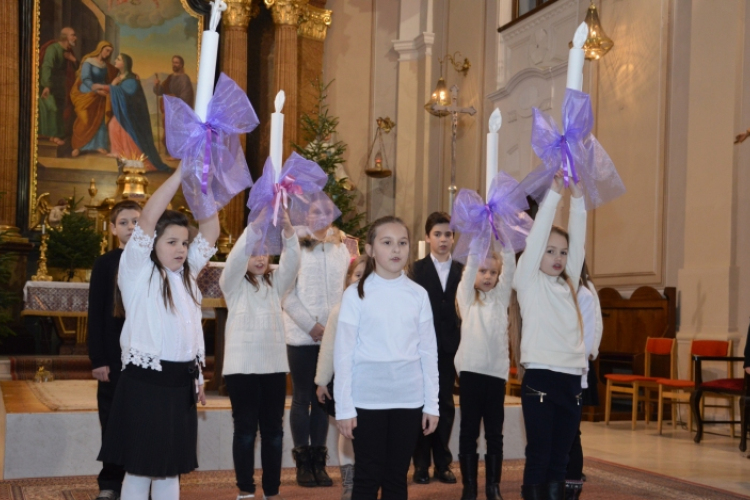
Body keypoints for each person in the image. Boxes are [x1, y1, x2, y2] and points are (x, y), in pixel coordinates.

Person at [97, 163, 220, 500]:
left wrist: (201, 180)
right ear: (152, 244)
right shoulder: (136, 270)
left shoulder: (187, 274)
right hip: (145, 385)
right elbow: (148, 218)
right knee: (139, 471)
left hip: (180, 385)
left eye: (184, 242)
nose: (181, 249)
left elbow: (211, 230)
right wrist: (181, 174)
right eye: (172, 242)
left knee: (169, 471)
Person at [334, 216, 440, 500]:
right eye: (387, 242)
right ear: (370, 249)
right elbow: (343, 354)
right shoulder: (356, 295)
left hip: (408, 399)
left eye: (402, 243)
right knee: (367, 478)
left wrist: (432, 404)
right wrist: (344, 408)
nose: (396, 249)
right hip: (367, 400)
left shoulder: (417, 295)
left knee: (396, 479)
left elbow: (429, 352)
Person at [513, 170, 586, 500]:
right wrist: (556, 194)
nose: (558, 258)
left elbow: (579, 238)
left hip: (571, 378)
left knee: (560, 459)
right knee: (540, 456)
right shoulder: (528, 280)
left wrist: (580, 198)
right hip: (541, 376)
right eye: (550, 251)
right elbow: (538, 235)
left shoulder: (569, 281)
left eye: (563, 252)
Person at [220, 211, 300, 500]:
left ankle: (271, 490)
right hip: (241, 369)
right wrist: (254, 229)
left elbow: (292, 263)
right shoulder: (233, 286)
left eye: (264, 252)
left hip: (274, 368)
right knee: (244, 431)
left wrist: (289, 232)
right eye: (254, 252)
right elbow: (234, 262)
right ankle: (245, 488)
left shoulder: (275, 285)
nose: (259, 258)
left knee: (273, 432)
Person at [282, 204, 350, 487]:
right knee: (302, 398)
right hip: (301, 335)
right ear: (305, 216)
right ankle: (303, 463)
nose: (321, 216)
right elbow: (285, 293)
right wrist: (311, 326)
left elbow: (348, 287)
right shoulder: (294, 247)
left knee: (323, 399)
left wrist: (333, 327)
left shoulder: (342, 249)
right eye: (314, 211)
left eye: (326, 210)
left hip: (332, 337)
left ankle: (319, 463)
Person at [88, 200, 142, 500]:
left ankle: (140, 478)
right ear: (112, 228)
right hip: (112, 353)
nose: (131, 227)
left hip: (143, 353)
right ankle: (110, 481)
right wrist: (98, 359)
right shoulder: (105, 263)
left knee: (140, 418)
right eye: (124, 222)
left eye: (136, 221)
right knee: (111, 418)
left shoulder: (153, 260)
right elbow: (95, 313)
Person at [454, 249, 516, 500]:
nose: (488, 276)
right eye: (483, 271)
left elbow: (510, 269)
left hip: (495, 376)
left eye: (493, 272)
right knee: (468, 430)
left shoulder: (501, 299)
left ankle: (493, 487)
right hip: (470, 372)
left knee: (494, 433)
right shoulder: (467, 298)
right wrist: (479, 239)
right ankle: (469, 487)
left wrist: (506, 243)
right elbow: (468, 272)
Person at [409, 212, 463, 485]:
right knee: (422, 403)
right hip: (421, 347)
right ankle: (420, 464)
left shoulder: (463, 270)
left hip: (451, 347)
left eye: (448, 235)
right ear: (428, 237)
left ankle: (442, 463)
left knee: (445, 403)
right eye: (438, 234)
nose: (443, 239)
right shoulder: (415, 270)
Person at [315, 255, 368, 500]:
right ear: (348, 279)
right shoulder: (340, 309)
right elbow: (328, 347)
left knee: (369, 435)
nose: (362, 281)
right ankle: (348, 482)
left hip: (371, 384)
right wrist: (322, 380)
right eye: (358, 275)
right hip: (345, 383)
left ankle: (367, 479)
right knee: (347, 432)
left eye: (368, 276)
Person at [564, 261, 602, 499]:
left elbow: (592, 333)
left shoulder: (585, 292)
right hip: (553, 371)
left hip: (574, 371)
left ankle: (571, 485)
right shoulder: (552, 290)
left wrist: (588, 354)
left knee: (571, 434)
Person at [108, 53, 171, 172]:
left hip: (132, 115)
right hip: (124, 112)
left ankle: (135, 163)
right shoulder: (119, 76)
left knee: (126, 136)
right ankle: (123, 159)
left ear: (125, 64)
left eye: (118, 59)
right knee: (114, 128)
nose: (115, 60)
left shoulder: (131, 79)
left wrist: (113, 85)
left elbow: (128, 93)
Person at [70, 41, 117, 157]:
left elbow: (111, 77)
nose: (108, 53)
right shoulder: (89, 62)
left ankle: (99, 145)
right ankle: (78, 146)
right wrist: (96, 90)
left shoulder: (105, 65)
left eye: (110, 52)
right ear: (100, 49)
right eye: (106, 50)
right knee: (85, 120)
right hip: (87, 92)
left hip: (100, 95)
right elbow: (85, 79)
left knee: (100, 120)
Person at [39, 27, 78, 145]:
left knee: (61, 109)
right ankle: (53, 136)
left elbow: (76, 68)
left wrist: (73, 59)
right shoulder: (53, 49)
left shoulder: (68, 50)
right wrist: (47, 86)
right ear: (65, 37)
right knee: (53, 109)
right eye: (73, 35)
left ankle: (56, 136)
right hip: (49, 83)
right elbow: (47, 67)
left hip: (61, 85)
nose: (75, 38)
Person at [153, 55, 194, 155]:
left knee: (176, 132)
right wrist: (157, 85)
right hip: (170, 109)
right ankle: (170, 152)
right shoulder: (170, 77)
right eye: (173, 62)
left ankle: (177, 154)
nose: (174, 64)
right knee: (168, 131)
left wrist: (174, 98)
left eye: (176, 63)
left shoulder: (184, 79)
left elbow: (186, 95)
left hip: (179, 111)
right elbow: (160, 91)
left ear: (181, 65)